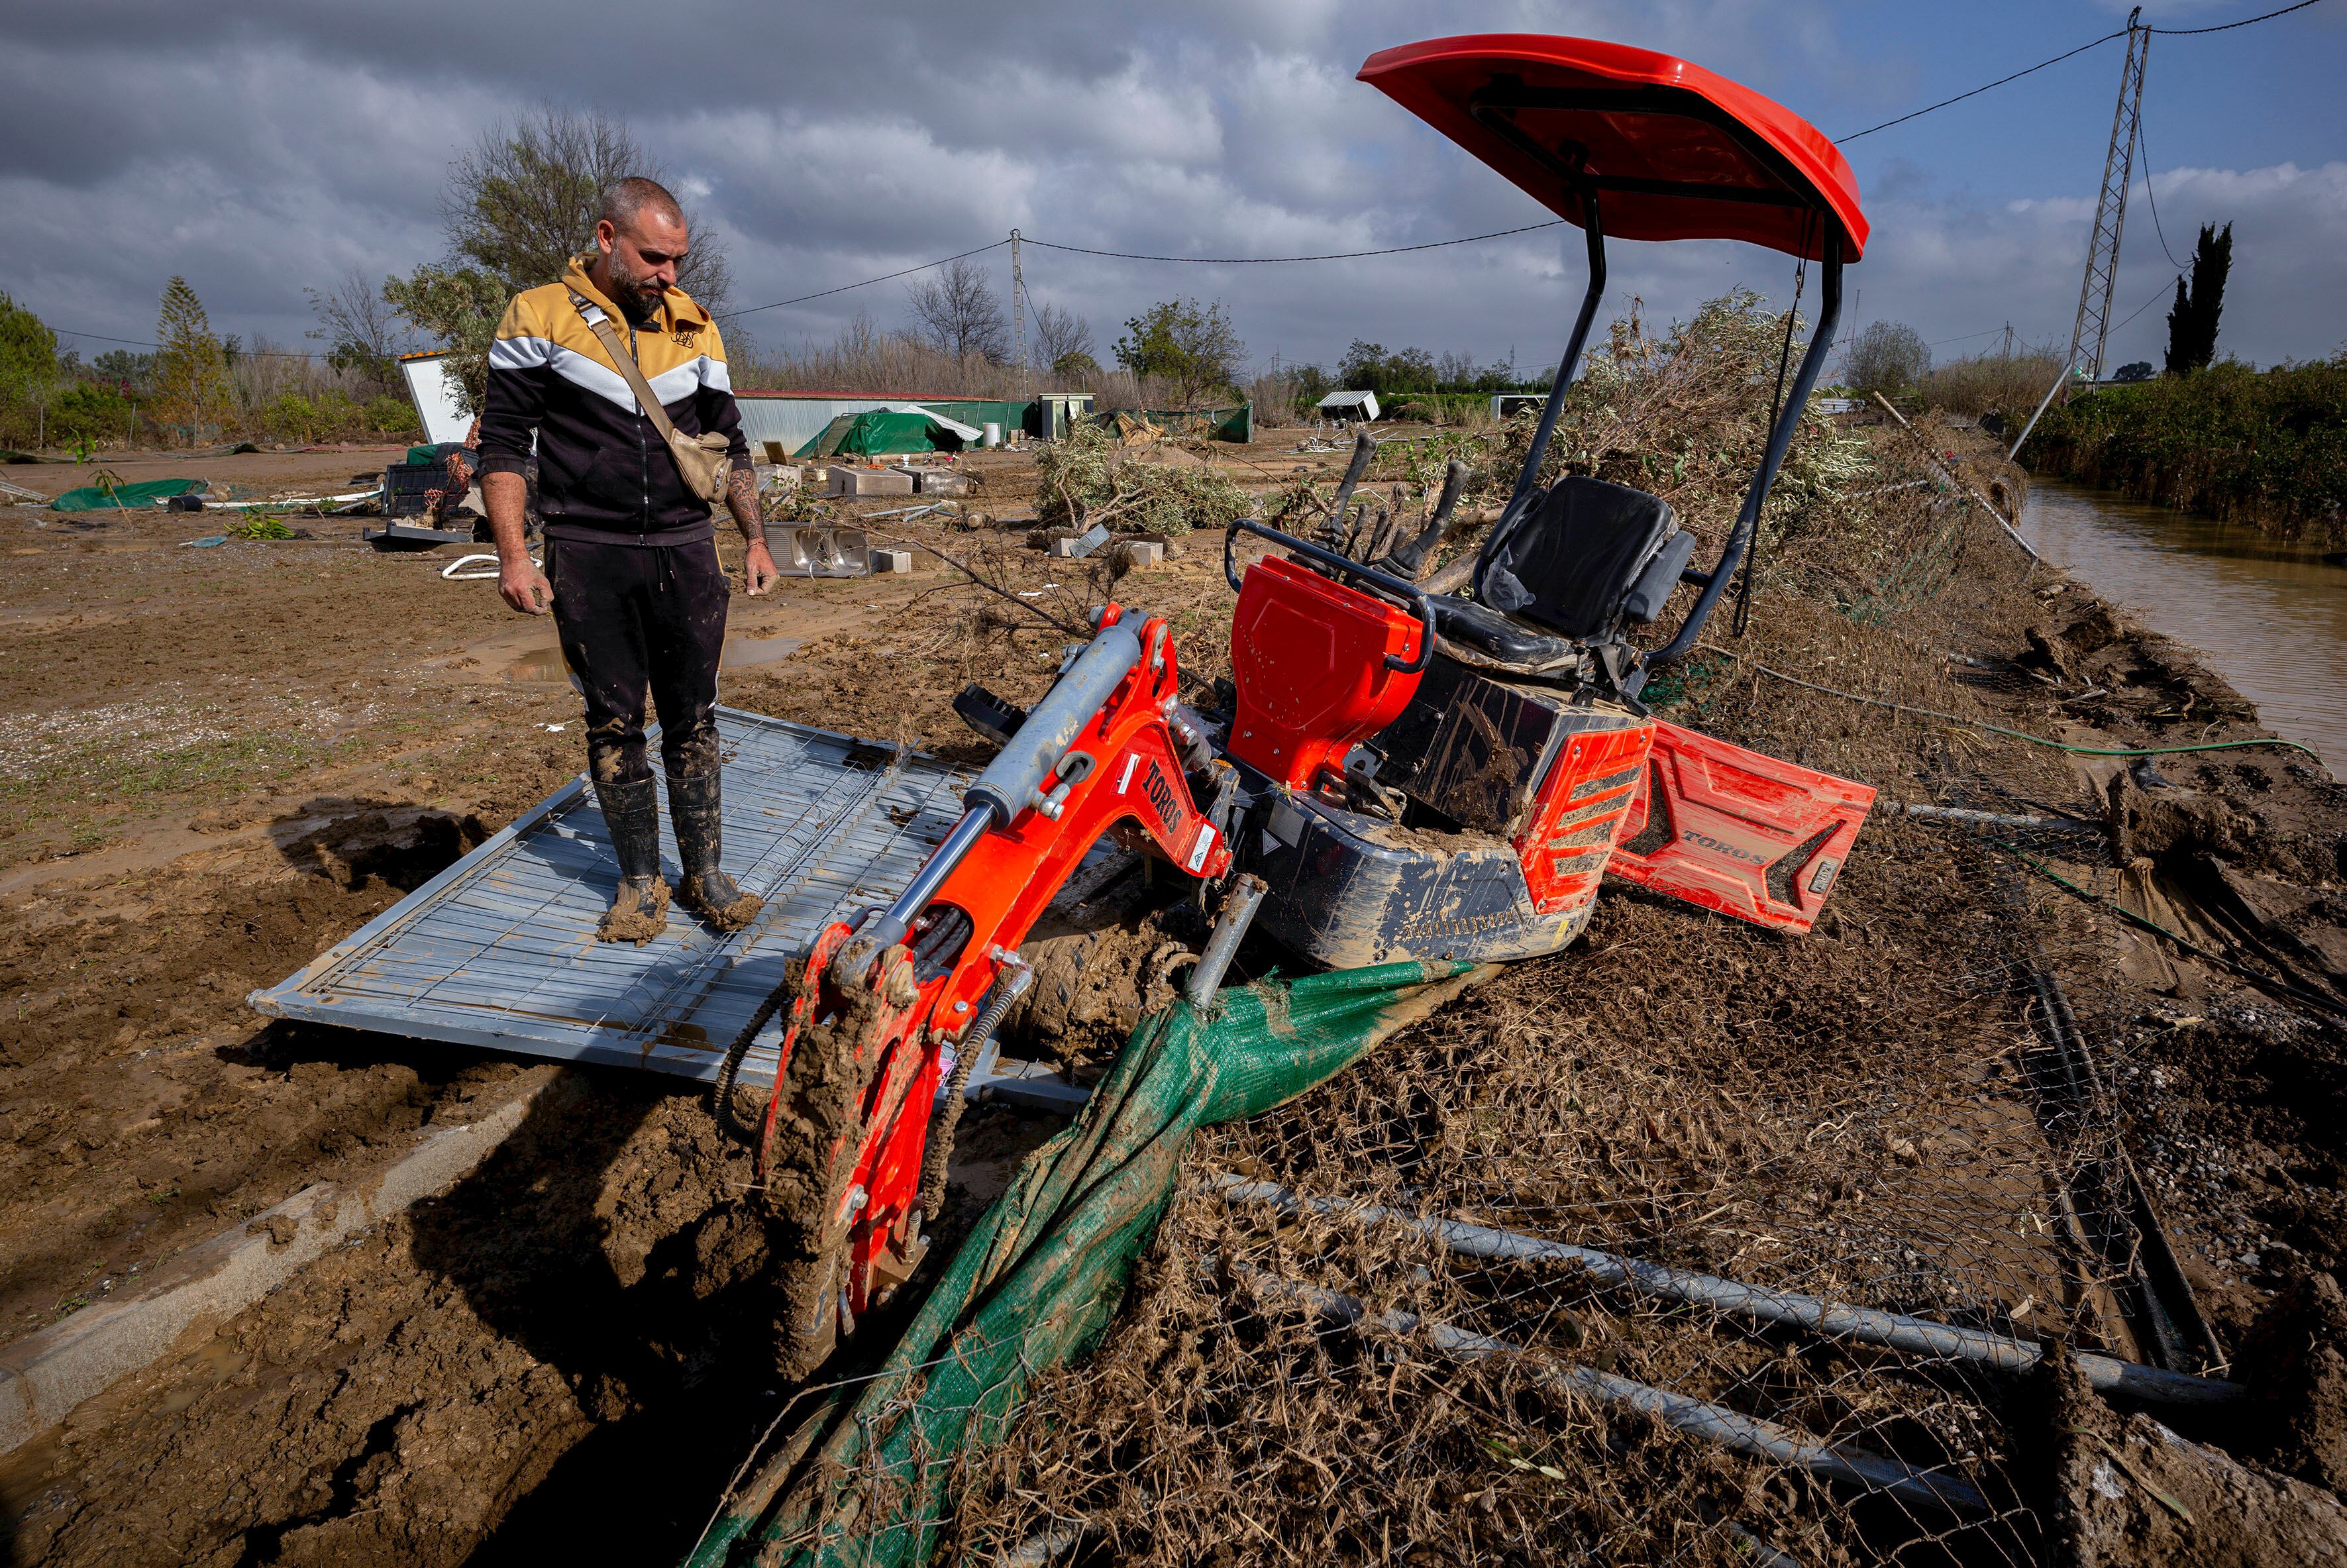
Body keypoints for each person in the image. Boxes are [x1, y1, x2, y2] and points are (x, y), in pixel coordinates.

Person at [478, 176, 779, 944]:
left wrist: (754, 537)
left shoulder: (696, 327)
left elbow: (732, 446)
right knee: (614, 722)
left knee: (695, 717)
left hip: (684, 551)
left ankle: (705, 875)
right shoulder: (538, 316)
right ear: (608, 239)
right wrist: (515, 557)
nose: (669, 275)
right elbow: (506, 446)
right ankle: (640, 885)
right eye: (654, 257)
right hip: (590, 553)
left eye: (678, 260)